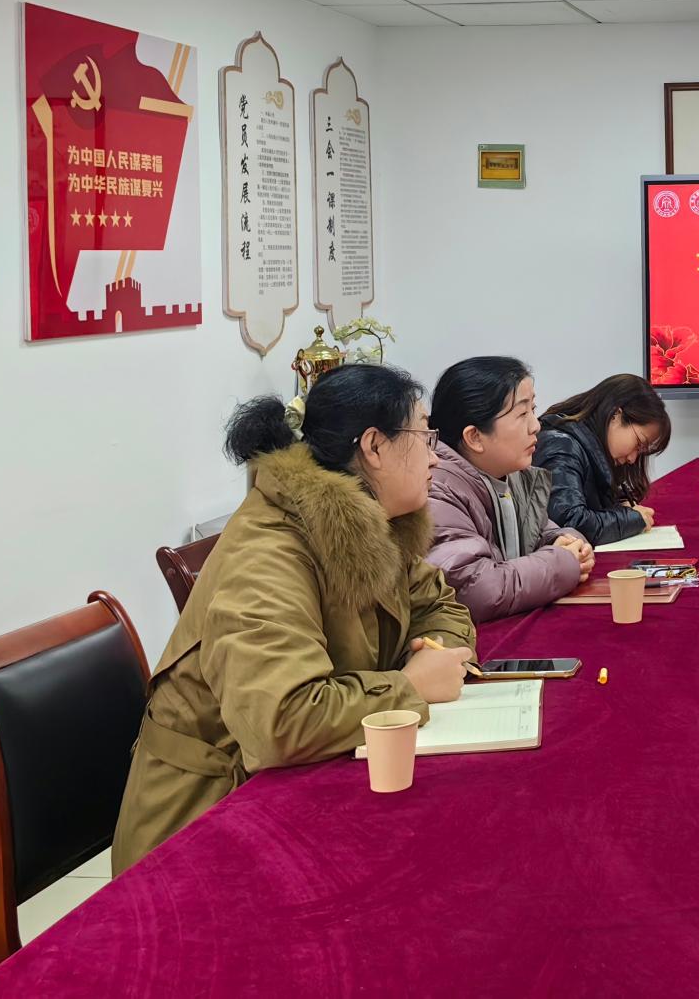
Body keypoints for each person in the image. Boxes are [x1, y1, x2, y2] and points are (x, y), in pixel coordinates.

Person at [113, 365, 475, 873]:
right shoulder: (267, 554)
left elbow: (440, 605)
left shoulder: (373, 518)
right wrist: (409, 687)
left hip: (306, 777)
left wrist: (433, 653)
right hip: (202, 827)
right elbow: (281, 722)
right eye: (424, 436)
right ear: (374, 446)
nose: (436, 456)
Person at [427, 355, 594, 621]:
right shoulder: (437, 489)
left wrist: (566, 542)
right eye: (522, 414)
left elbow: (542, 532)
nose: (536, 425)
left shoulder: (508, 474)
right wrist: (562, 562)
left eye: (533, 409)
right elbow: (475, 589)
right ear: (475, 437)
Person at [534, 374, 670, 545]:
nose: (633, 459)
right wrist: (631, 519)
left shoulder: (589, 446)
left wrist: (620, 507)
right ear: (615, 415)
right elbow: (570, 523)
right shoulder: (561, 446)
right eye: (638, 444)